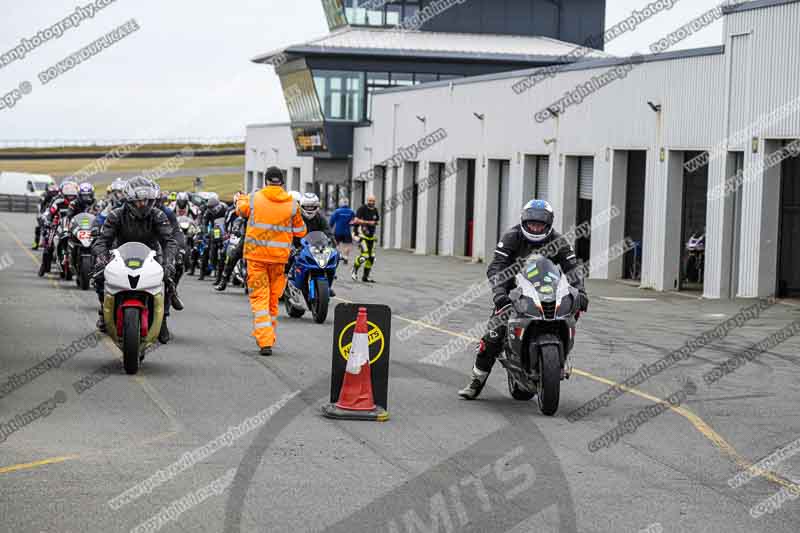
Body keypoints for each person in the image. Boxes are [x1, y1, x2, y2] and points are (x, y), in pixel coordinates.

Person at [458, 199, 590, 400]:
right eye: (532, 224)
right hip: (514, 293)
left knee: (571, 313)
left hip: (548, 292)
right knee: (493, 335)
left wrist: (581, 292)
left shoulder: (558, 240)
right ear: (524, 222)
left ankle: (560, 359)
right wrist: (499, 293)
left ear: (548, 225)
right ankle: (476, 381)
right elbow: (497, 266)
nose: (535, 228)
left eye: (540, 225)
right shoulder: (512, 237)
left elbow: (573, 269)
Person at [92, 177, 179, 344]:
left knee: (168, 278)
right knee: (99, 276)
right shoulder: (116, 215)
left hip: (153, 255)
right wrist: (102, 258)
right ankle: (104, 311)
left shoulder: (158, 215)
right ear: (130, 201)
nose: (143, 205)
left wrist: (168, 261)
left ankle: (163, 320)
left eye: (146, 201)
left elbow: (169, 240)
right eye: (139, 201)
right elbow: (102, 241)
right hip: (120, 254)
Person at [236, 166, 306, 356]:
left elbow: (240, 210)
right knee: (273, 299)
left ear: (266, 181)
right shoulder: (292, 204)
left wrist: (241, 196)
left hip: (256, 258)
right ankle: (269, 335)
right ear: (281, 182)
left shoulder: (254, 198)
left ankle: (265, 340)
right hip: (279, 260)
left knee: (260, 299)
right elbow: (301, 232)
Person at [198, 195, 228, 281]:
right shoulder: (207, 212)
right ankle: (202, 272)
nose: (212, 210)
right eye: (210, 208)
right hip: (214, 231)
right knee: (207, 248)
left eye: (213, 208)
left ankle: (226, 273)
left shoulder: (225, 208)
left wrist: (229, 231)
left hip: (225, 230)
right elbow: (204, 223)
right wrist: (205, 233)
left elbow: (230, 220)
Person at [351, 195, 380, 283]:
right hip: (361, 235)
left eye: (373, 201)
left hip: (371, 236)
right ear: (367, 200)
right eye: (370, 201)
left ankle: (365, 276)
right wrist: (367, 222)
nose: (371, 202)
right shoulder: (362, 209)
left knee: (371, 257)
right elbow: (355, 220)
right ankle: (354, 270)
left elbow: (376, 221)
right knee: (365, 255)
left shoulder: (375, 210)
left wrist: (375, 223)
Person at [33, 183, 60, 249]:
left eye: (55, 192)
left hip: (56, 214)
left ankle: (49, 243)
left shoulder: (60, 195)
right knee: (39, 228)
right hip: (45, 213)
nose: (54, 193)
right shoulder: (44, 195)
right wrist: (40, 213)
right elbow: (39, 204)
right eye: (52, 191)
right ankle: (36, 244)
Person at [329, 198, 355, 263]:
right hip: (347, 232)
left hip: (338, 231)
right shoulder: (351, 212)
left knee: (336, 244)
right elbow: (354, 221)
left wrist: (329, 229)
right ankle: (345, 256)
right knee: (348, 245)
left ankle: (338, 255)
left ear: (340, 203)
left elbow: (331, 221)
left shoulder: (337, 211)